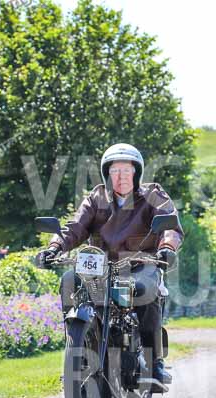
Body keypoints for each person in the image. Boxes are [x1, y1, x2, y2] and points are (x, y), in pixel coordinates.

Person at [36, 143, 182, 385]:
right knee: (69, 280)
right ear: (107, 174)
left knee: (145, 290)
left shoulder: (152, 195)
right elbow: (75, 227)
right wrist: (54, 247)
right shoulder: (96, 198)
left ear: (137, 172)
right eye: (115, 171)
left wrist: (166, 248)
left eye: (127, 170)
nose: (121, 176)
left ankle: (153, 359)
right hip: (99, 268)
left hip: (140, 265)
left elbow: (171, 227)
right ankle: (77, 344)